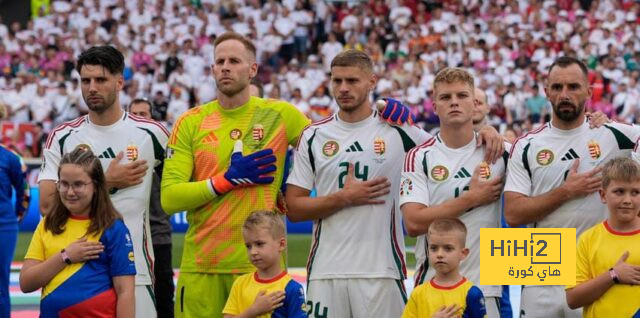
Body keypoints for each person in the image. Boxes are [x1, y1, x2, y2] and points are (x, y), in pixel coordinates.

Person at [285, 51, 502, 317]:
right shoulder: (314, 135)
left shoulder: (400, 130)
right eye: (337, 80)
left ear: (372, 82)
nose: (343, 88)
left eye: (352, 80)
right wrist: (344, 197)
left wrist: (487, 131)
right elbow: (293, 209)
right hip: (324, 271)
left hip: (383, 270)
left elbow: (452, 145)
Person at [159, 32, 311, 318]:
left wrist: (381, 118)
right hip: (202, 267)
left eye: (234, 61)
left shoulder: (280, 114)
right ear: (213, 69)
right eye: (219, 62)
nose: (225, 67)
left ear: (252, 70)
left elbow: (328, 149)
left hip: (260, 270)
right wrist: (224, 181)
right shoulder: (190, 122)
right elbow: (169, 198)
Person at [504, 56, 640, 318]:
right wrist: (567, 191)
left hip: (594, 270)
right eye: (557, 87)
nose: (564, 94)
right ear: (546, 92)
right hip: (541, 267)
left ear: (589, 92)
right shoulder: (527, 145)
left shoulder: (615, 134)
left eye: (573, 87)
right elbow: (512, 214)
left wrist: (615, 122)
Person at [38, 45, 169, 317]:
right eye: (85, 81)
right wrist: (106, 181)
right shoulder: (62, 136)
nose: (91, 88)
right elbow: (48, 206)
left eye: (101, 80)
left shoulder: (151, 133)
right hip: (72, 270)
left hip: (136, 271)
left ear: (120, 82)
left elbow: (179, 187)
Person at [399, 67, 506, 317]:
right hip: (433, 288)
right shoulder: (418, 157)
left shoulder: (501, 151)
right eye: (446, 97)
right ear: (434, 106)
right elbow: (413, 223)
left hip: (486, 286)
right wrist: (471, 199)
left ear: (474, 104)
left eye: (462, 96)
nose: (454, 102)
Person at [20, 147, 135, 317]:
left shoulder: (113, 228)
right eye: (64, 184)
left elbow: (125, 291)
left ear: (96, 186)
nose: (70, 192)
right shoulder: (48, 224)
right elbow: (26, 283)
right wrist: (65, 256)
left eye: (78, 184)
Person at [565, 157, 640, 318]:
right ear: (603, 195)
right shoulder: (588, 239)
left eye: (635, 192)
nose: (627, 200)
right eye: (619, 191)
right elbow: (572, 299)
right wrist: (613, 275)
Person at [129, 98, 174, 318]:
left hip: (158, 235)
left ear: (152, 118)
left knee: (164, 294)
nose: (139, 117)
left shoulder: (162, 149)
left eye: (143, 114)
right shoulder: (123, 151)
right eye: (134, 113)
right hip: (129, 234)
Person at [222, 211, 306, 318]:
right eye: (248, 246)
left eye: (259, 244)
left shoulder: (292, 288)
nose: (253, 252)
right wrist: (254, 310)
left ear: (281, 244)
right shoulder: (240, 284)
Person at [402, 218, 486, 318]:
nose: (440, 254)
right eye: (434, 248)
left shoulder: (472, 294)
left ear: (463, 253)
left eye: (448, 248)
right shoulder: (418, 294)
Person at [0, 105, 28, 318]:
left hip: (3, 227)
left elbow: (24, 192)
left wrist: (16, 217)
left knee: (0, 283)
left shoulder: (11, 158)